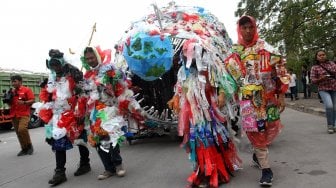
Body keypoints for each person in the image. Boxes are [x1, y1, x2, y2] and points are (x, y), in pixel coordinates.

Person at [229, 15, 288, 186]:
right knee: (255, 132)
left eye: (250, 27)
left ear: (255, 28)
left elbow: (280, 70)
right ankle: (266, 169)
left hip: (267, 99)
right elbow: (229, 77)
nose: (248, 31)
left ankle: (258, 154)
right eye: (244, 28)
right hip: (248, 101)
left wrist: (282, 94)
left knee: (267, 130)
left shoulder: (265, 47)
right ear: (239, 30)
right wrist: (225, 95)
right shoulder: (235, 51)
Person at [82, 46, 143, 180]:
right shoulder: (87, 76)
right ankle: (108, 168)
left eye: (92, 57)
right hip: (95, 112)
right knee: (99, 139)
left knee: (112, 137)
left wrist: (133, 105)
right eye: (87, 59)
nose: (90, 60)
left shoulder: (109, 69)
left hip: (110, 108)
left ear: (98, 56)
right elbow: (85, 96)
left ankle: (118, 165)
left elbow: (122, 87)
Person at [36, 49, 91, 186]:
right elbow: (50, 94)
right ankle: (60, 172)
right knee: (58, 140)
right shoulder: (52, 77)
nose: (54, 68)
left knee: (79, 139)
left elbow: (83, 93)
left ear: (61, 62)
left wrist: (80, 111)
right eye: (52, 65)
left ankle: (85, 163)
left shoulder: (73, 73)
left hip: (74, 112)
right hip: (58, 114)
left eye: (56, 64)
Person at [310, 49, 336, 134]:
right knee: (329, 106)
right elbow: (313, 81)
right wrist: (321, 78)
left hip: (334, 88)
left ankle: (334, 125)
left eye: (323, 54)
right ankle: (330, 126)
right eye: (320, 55)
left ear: (326, 55)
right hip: (323, 89)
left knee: (335, 108)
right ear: (316, 57)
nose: (322, 56)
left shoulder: (332, 64)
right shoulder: (315, 67)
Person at [9, 75, 35, 156]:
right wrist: (7, 99)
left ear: (20, 81)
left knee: (22, 129)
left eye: (15, 81)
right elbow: (10, 103)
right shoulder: (11, 92)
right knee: (18, 133)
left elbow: (32, 100)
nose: (13, 83)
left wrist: (24, 102)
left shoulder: (26, 90)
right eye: (12, 81)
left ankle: (29, 146)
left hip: (24, 114)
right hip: (14, 114)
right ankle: (24, 149)